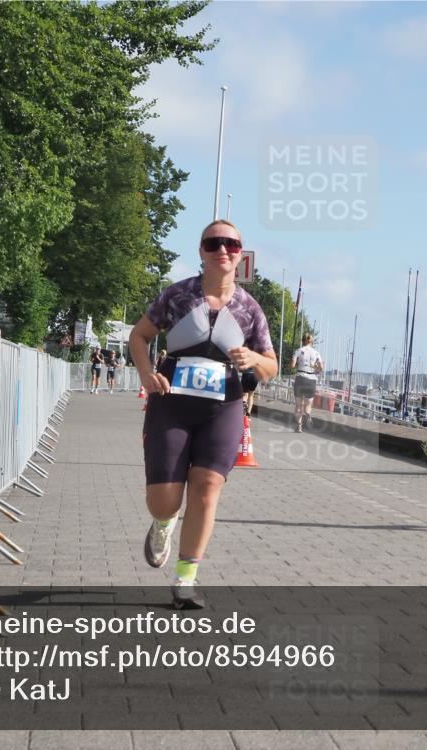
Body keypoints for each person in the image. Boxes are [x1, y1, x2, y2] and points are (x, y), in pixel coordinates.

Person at [129, 220, 276, 609]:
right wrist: (146, 373)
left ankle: (185, 579)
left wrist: (255, 359)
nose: (222, 250)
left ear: (240, 253)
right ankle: (163, 524)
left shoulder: (249, 308)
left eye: (231, 244)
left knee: (208, 487)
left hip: (223, 405)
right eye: (214, 243)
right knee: (164, 500)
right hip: (172, 402)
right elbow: (138, 336)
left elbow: (272, 366)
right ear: (201, 251)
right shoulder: (177, 296)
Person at [290, 333, 323, 432]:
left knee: (298, 405)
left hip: (301, 378)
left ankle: (299, 425)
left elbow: (292, 365)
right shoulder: (316, 353)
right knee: (308, 405)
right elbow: (321, 368)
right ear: (311, 341)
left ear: (302, 341)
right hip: (311, 380)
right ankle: (307, 413)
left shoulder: (298, 351)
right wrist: (314, 368)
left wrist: (295, 363)